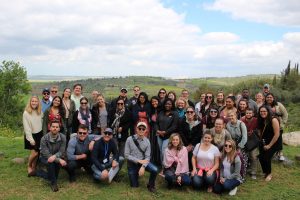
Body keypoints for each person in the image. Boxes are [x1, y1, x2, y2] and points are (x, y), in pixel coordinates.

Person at [124, 122, 159, 192]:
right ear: (136, 129)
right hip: (132, 164)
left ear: (146, 130)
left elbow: (147, 157)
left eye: (143, 129)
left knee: (155, 169)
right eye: (139, 128)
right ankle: (136, 174)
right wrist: (138, 161)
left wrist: (143, 167)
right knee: (134, 186)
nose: (141, 130)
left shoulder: (147, 141)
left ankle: (151, 185)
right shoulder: (129, 139)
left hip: (143, 162)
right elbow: (126, 155)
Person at [38, 121, 67, 192]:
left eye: (57, 127)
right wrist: (59, 160)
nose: (55, 128)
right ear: (49, 128)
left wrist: (55, 157)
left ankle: (38, 172)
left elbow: (62, 151)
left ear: (59, 129)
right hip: (45, 157)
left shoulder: (63, 137)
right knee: (50, 162)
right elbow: (46, 154)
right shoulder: (44, 139)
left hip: (56, 156)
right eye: (53, 127)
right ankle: (53, 184)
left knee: (52, 175)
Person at [257, 105, 280, 182]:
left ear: (268, 111)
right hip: (264, 141)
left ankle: (269, 174)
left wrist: (269, 145)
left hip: (273, 142)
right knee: (261, 157)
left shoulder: (273, 120)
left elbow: (277, 134)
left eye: (264, 111)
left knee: (267, 157)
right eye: (261, 111)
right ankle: (265, 172)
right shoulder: (262, 120)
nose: (262, 113)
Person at [23, 95, 43, 177]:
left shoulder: (40, 112)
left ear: (38, 102)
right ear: (30, 102)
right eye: (33, 101)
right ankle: (29, 165)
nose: (34, 103)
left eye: (36, 101)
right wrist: (31, 139)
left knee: (37, 153)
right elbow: (26, 127)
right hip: (31, 134)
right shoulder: (26, 113)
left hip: (39, 134)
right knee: (34, 153)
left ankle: (34, 167)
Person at [265, 93, 288, 161]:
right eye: (268, 97)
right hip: (269, 125)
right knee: (270, 138)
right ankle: (271, 152)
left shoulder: (278, 105)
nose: (269, 98)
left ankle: (280, 153)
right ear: (265, 98)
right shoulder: (265, 105)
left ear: (273, 98)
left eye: (270, 97)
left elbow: (285, 114)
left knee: (279, 138)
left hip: (279, 124)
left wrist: (282, 124)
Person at [156, 98, 179, 163]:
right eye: (166, 104)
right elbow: (156, 123)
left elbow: (174, 126)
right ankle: (163, 165)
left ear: (172, 105)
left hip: (169, 136)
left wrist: (165, 132)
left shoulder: (175, 113)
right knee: (161, 151)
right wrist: (157, 130)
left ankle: (165, 166)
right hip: (159, 136)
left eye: (169, 104)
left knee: (164, 151)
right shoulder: (161, 112)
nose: (167, 105)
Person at [241, 108, 258, 179]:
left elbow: (259, 129)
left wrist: (253, 131)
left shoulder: (256, 120)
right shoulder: (242, 120)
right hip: (244, 141)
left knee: (253, 156)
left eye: (250, 113)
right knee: (244, 156)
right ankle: (243, 171)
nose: (248, 114)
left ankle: (253, 172)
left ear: (253, 114)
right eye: (247, 113)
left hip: (253, 141)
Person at [149, 96, 162, 166]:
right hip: (153, 129)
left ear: (158, 101)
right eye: (152, 102)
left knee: (159, 145)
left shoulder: (161, 109)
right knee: (153, 144)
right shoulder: (152, 110)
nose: (154, 103)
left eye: (155, 101)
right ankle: (153, 160)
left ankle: (159, 161)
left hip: (160, 129)